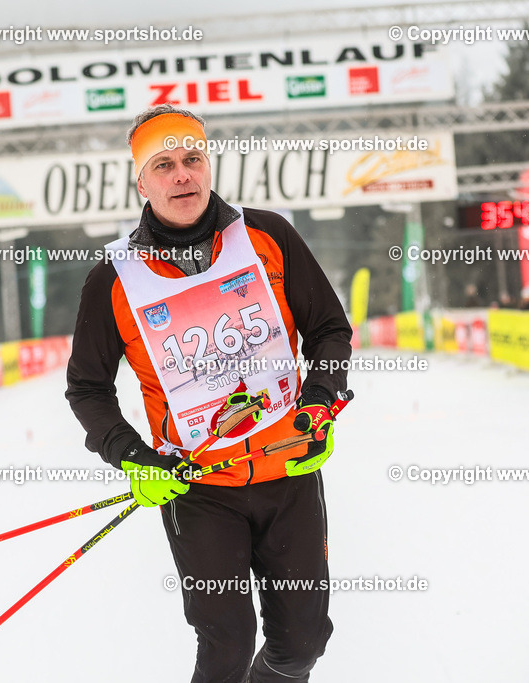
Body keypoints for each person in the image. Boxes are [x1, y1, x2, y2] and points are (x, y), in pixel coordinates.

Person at [65, 104, 352, 683]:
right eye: (163, 165)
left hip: (287, 466)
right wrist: (134, 456)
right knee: (226, 649)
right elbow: (87, 387)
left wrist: (319, 402)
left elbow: (328, 329)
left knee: (302, 643)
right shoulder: (114, 277)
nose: (182, 175)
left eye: (192, 159)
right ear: (141, 183)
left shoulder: (268, 235)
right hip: (196, 484)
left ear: (209, 165)